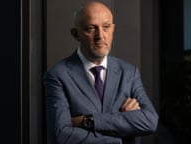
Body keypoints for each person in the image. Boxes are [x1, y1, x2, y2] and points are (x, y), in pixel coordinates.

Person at [43, 1, 159, 144]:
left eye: (106, 27)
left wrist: (88, 121)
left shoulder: (129, 72)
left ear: (113, 30)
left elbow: (150, 121)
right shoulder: (57, 75)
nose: (100, 36)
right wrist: (120, 132)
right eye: (91, 28)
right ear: (75, 34)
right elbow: (61, 135)